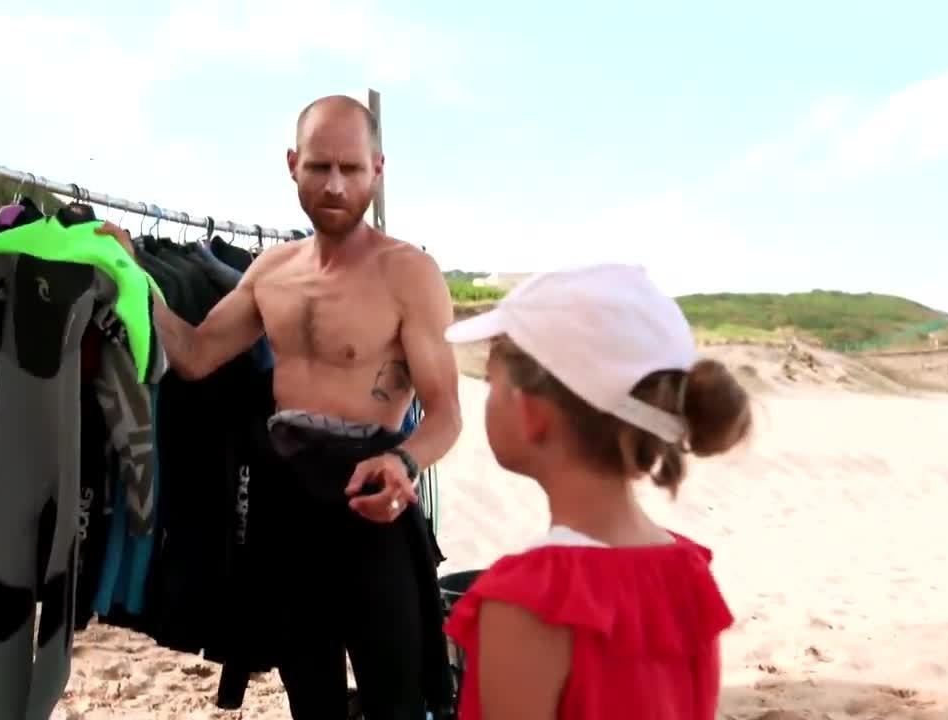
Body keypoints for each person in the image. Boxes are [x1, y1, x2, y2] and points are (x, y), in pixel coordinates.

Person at [97, 95, 462, 719]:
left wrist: (403, 461)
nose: (336, 184)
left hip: (371, 500)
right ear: (293, 165)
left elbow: (447, 414)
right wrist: (135, 276)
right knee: (310, 698)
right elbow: (193, 354)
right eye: (320, 166)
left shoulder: (410, 274)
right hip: (286, 509)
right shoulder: (271, 271)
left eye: (351, 168)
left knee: (396, 701)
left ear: (378, 168)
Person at [441, 264, 747, 720]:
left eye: (491, 382)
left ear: (532, 413)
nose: (488, 395)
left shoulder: (527, 600)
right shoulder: (687, 570)